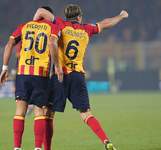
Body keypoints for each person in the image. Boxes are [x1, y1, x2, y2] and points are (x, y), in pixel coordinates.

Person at [33, 4, 128, 150]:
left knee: (48, 114)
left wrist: (33, 26)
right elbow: (107, 23)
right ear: (79, 17)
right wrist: (122, 16)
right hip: (77, 75)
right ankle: (106, 141)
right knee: (86, 114)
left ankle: (47, 149)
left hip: (60, 75)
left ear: (66, 17)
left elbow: (41, 12)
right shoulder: (87, 28)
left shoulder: (60, 24)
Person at [0, 6, 63, 150]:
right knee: (39, 112)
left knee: (20, 111)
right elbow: (53, 44)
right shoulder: (52, 28)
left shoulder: (24, 26)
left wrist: (4, 68)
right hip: (41, 73)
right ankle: (37, 148)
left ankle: (17, 148)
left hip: (22, 73)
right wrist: (58, 67)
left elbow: (9, 44)